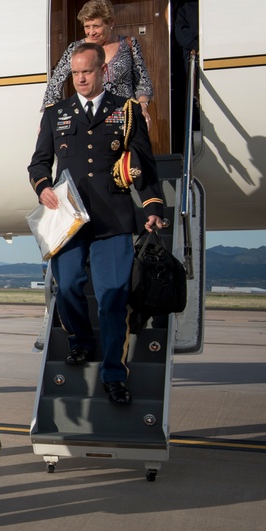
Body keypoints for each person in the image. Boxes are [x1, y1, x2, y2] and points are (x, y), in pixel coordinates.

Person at [28, 42, 165, 406]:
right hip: (70, 223)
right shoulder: (56, 112)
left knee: (112, 298)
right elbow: (39, 163)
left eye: (87, 72)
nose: (81, 78)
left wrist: (152, 205)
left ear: (103, 72)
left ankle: (114, 375)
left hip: (113, 221)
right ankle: (80, 342)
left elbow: (144, 166)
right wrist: (42, 187)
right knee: (68, 284)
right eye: (75, 73)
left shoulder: (126, 111)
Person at [42, 0, 155, 129]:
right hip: (89, 120)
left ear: (111, 22)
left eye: (96, 26)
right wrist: (47, 120)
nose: (91, 32)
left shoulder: (128, 44)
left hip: (123, 119)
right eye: (87, 27)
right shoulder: (76, 49)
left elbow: (143, 82)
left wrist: (142, 106)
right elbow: (54, 85)